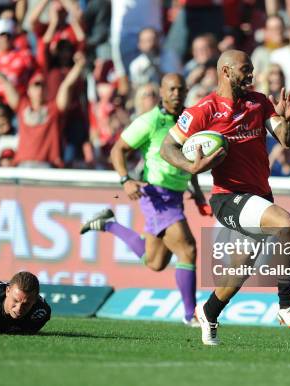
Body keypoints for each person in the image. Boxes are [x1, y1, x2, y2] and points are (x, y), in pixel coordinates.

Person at [160, 50, 290, 346]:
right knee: (286, 223)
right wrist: (192, 166)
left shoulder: (260, 102)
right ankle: (286, 304)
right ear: (226, 72)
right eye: (246, 69)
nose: (252, 75)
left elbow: (288, 141)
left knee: (240, 269)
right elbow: (167, 148)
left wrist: (289, 122)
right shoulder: (204, 110)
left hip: (259, 195)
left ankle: (209, 311)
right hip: (228, 197)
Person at [80, 74, 209, 327]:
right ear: (161, 91)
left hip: (176, 195)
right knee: (188, 249)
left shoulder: (189, 121)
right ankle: (190, 315)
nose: (176, 93)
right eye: (171, 88)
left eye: (180, 88)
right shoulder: (150, 121)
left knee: (156, 262)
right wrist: (125, 180)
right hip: (156, 195)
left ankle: (108, 224)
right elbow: (119, 150)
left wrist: (197, 191)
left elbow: (191, 159)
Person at [0, 48, 86, 167]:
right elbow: (5, 82)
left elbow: (66, 85)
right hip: (23, 166)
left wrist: (79, 66)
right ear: (28, 90)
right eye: (36, 85)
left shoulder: (54, 109)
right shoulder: (22, 106)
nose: (40, 89)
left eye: (42, 85)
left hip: (46, 166)